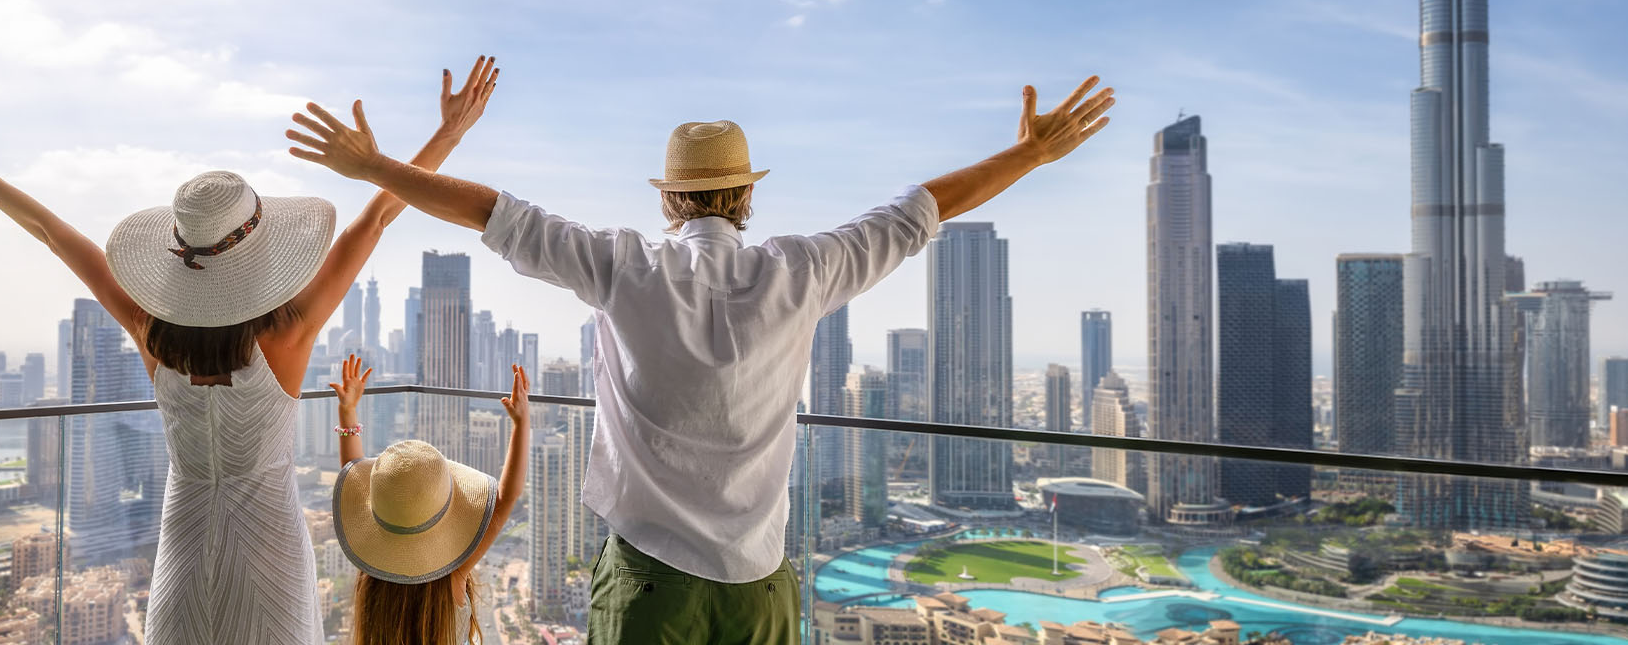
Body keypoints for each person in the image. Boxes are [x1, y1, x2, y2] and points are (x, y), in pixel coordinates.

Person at [292, 71, 1115, 644]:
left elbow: (493, 213)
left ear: (667, 198)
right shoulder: (805, 268)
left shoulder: (625, 267)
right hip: (762, 585)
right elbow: (920, 211)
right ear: (747, 196)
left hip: (650, 587)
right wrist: (1030, 155)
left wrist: (374, 167)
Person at [0, 57, 500, 645]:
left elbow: (50, 232)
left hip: (183, 544)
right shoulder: (288, 334)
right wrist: (449, 134)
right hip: (271, 556)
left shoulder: (152, 334)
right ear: (261, 262)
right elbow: (380, 214)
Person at [328, 355, 529, 645]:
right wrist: (521, 423)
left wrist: (347, 412)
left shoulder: (372, 576)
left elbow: (356, 476)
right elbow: (506, 498)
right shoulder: (454, 579)